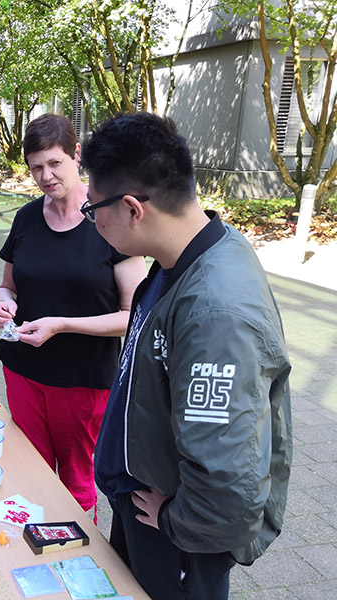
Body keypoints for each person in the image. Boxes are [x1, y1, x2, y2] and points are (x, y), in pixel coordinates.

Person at [84, 112, 292, 599]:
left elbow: (227, 487)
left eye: (94, 210)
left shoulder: (216, 311)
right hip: (147, 506)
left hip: (178, 536)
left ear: (133, 208)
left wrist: (177, 523)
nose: (93, 223)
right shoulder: (177, 260)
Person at [0, 113, 145, 518]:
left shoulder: (110, 219)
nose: (46, 176)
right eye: (36, 167)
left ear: (77, 154)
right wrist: (3, 301)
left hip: (83, 379)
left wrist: (62, 325)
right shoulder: (25, 218)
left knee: (76, 482)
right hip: (23, 369)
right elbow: (9, 284)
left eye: (54, 163)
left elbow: (135, 316)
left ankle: (76, 567)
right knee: (31, 472)